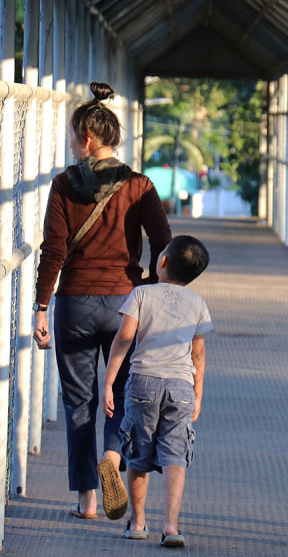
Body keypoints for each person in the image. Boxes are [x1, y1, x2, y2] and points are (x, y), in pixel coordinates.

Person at [33, 81, 172, 521]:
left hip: (73, 301)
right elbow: (164, 243)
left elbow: (53, 249)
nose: (73, 143)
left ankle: (86, 501)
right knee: (120, 393)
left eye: (75, 136)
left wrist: (40, 307)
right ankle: (112, 457)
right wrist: (148, 285)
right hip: (124, 305)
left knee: (79, 403)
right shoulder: (139, 185)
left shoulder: (62, 185)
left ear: (88, 138)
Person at [101, 235, 212, 547]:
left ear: (162, 261)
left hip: (143, 383)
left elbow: (124, 337)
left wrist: (109, 381)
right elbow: (198, 354)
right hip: (181, 387)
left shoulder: (141, 294)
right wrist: (198, 394)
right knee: (175, 454)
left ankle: (137, 522)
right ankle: (172, 526)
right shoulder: (198, 303)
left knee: (139, 451)